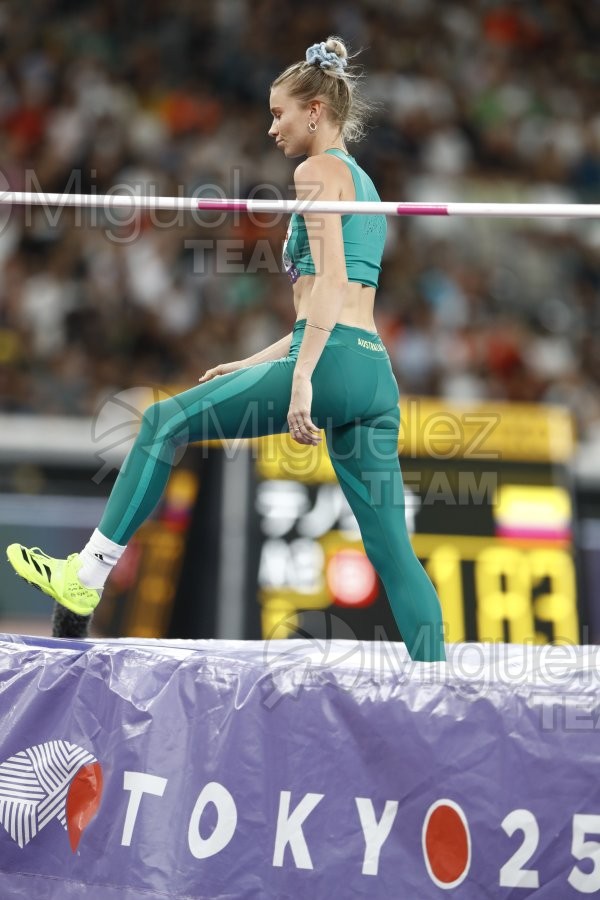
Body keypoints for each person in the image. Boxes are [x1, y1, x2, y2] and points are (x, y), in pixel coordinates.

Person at [7, 37, 446, 662]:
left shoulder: (315, 171)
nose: (271, 127)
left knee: (162, 422)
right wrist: (260, 362)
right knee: (392, 553)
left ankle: (87, 576)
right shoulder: (364, 183)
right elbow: (340, 298)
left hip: (332, 364)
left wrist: (301, 380)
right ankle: (444, 692)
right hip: (372, 375)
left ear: (315, 111)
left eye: (279, 113)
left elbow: (327, 282)